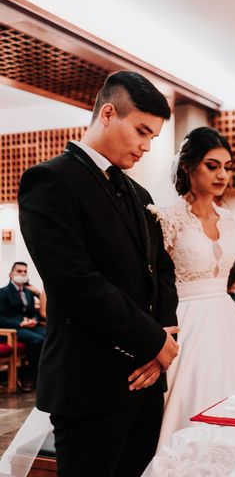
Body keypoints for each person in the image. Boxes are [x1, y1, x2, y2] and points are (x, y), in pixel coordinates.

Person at [14, 71, 180, 477]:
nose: (146, 146)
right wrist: (153, 340)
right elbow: (75, 283)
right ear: (108, 113)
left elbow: (161, 270)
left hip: (146, 379)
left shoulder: (140, 195)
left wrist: (164, 339)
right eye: (141, 131)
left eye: (153, 138)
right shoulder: (50, 181)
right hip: (89, 384)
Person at [151, 126, 235, 450]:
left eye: (227, 166)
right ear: (188, 166)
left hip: (226, 319)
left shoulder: (227, 218)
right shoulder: (168, 217)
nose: (222, 175)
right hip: (185, 319)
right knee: (190, 406)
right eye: (212, 165)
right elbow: (157, 280)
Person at [0, 262, 46, 391]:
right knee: (38, 340)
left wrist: (33, 320)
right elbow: (1, 318)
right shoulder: (3, 293)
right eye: (19, 271)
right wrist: (20, 323)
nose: (22, 274)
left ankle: (43, 376)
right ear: (11, 274)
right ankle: (28, 377)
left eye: (25, 271)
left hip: (29, 326)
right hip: (13, 328)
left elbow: (34, 314)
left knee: (49, 335)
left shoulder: (28, 293)